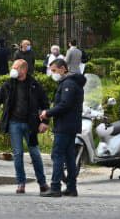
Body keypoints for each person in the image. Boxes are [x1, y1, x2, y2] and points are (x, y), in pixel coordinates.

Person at [0, 59, 50, 194]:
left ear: (24, 70)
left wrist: (45, 122)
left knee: (35, 153)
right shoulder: (8, 84)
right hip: (14, 124)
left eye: (16, 67)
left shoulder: (34, 84)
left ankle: (42, 183)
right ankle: (21, 183)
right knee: (18, 154)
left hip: (31, 125)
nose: (13, 69)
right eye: (13, 67)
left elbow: (45, 103)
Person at [39, 59, 86, 198]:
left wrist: (48, 113)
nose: (52, 73)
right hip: (70, 125)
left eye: (54, 70)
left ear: (63, 69)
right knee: (69, 156)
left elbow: (65, 104)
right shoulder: (70, 82)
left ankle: (55, 187)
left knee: (58, 155)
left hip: (65, 125)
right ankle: (71, 188)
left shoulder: (68, 84)